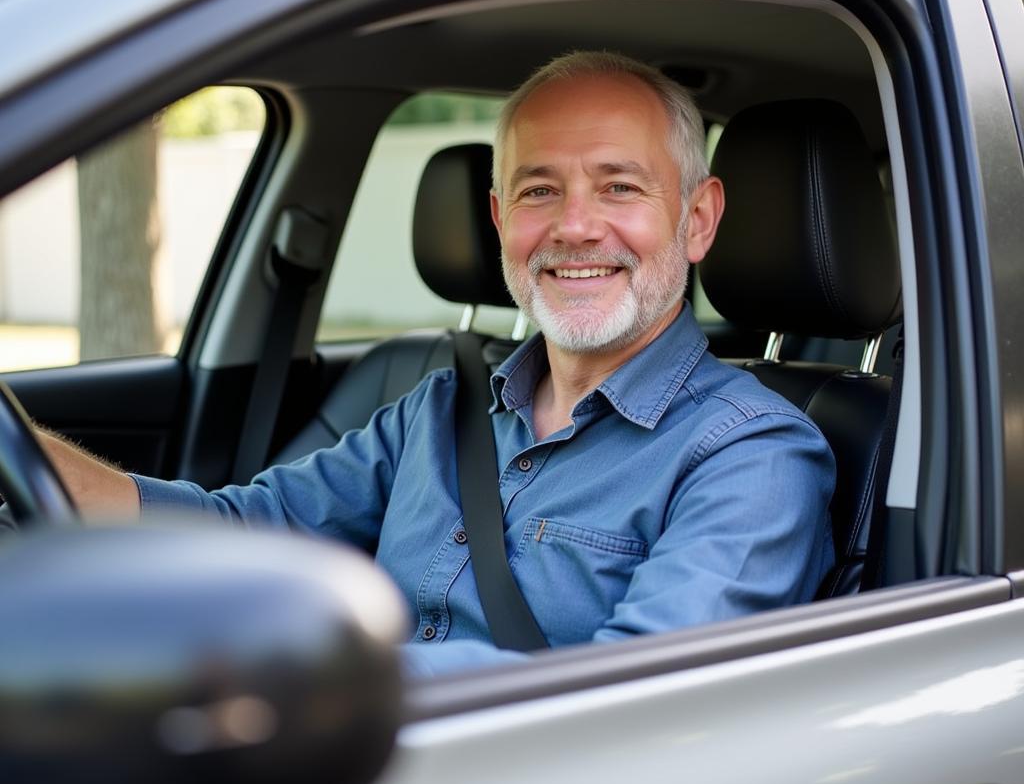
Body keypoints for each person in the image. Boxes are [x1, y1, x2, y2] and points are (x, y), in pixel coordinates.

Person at [40, 51, 836, 677]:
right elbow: (242, 531)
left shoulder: (753, 458)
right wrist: (30, 464)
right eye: (538, 192)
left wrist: (307, 670)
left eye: (620, 187)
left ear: (697, 221)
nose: (576, 226)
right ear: (499, 220)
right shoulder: (438, 408)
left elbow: (626, 698)